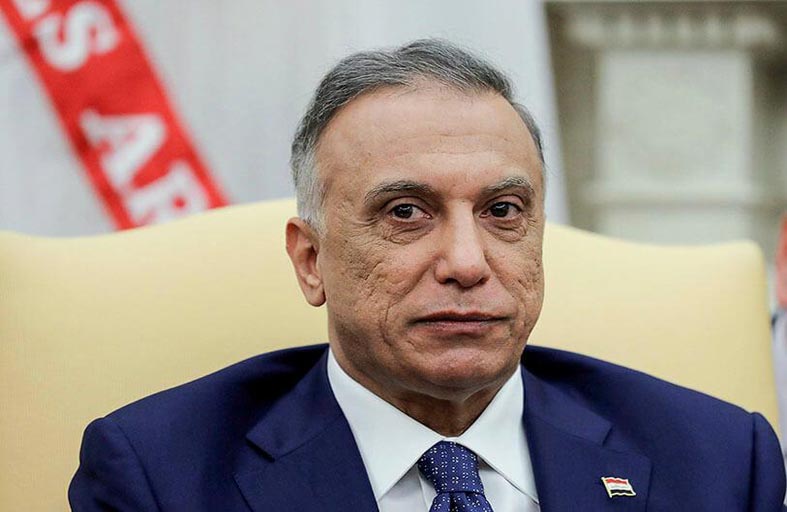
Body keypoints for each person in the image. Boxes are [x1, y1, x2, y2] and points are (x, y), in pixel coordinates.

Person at [68, 39, 786, 512]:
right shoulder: (160, 475)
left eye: (502, 211)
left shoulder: (719, 461)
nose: (467, 264)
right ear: (311, 261)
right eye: (406, 212)